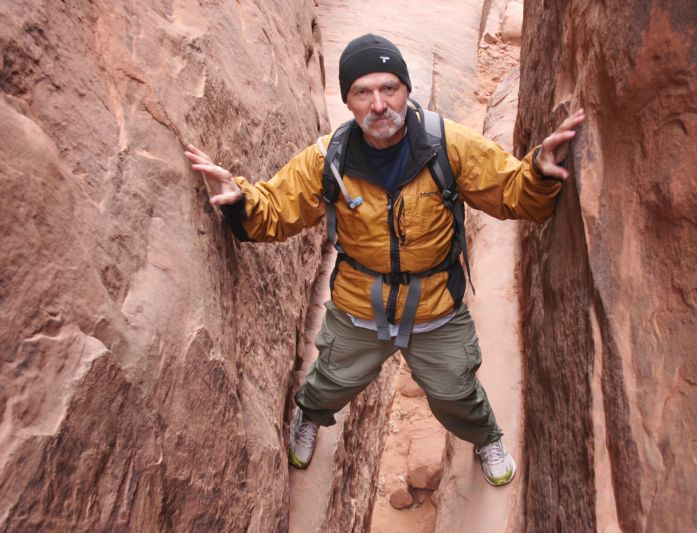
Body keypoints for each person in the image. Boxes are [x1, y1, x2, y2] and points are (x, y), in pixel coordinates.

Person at [185, 34, 584, 487]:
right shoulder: (328, 159)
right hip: (359, 303)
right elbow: (276, 210)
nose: (378, 104)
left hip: (434, 304)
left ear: (406, 89)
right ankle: (310, 417)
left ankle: (485, 437)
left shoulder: (447, 144)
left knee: (455, 390)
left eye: (389, 88)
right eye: (363, 92)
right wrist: (239, 200)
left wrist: (539, 173)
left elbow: (511, 191)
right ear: (348, 101)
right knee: (332, 379)